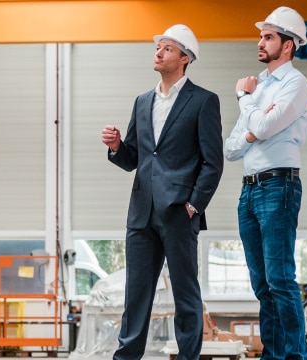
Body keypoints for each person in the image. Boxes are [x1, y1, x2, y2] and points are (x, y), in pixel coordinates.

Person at [101, 24, 223, 360]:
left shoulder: (203, 101)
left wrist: (193, 206)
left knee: (186, 296)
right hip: (141, 213)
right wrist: (116, 147)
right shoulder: (142, 102)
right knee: (136, 295)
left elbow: (213, 163)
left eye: (167, 48)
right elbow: (134, 159)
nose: (158, 52)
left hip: (179, 212)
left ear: (185, 58)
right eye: (158, 47)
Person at [223, 6, 307, 360]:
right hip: (249, 189)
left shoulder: (296, 84)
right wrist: (254, 121)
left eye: (268, 37)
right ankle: (273, 355)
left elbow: (260, 128)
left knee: (280, 279)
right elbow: (231, 147)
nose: (260, 42)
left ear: (288, 45)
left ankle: (294, 356)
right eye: (261, 36)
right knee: (262, 285)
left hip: (279, 187)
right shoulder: (259, 88)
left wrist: (245, 102)